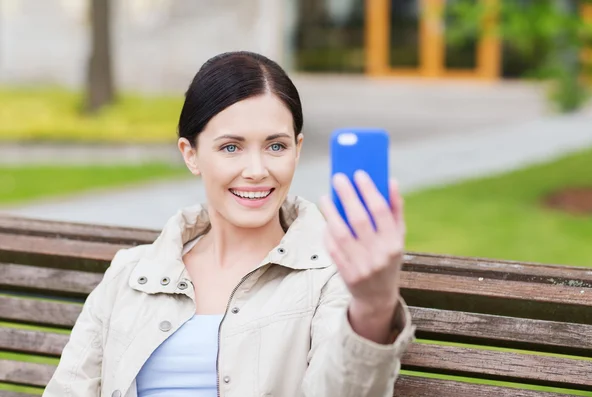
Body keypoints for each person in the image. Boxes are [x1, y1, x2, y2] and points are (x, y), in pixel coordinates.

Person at [42, 51, 415, 397]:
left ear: (297, 150)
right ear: (191, 154)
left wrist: (372, 305)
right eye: (231, 147)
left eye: (276, 146)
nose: (256, 171)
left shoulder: (334, 277)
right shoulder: (131, 274)